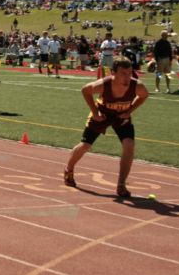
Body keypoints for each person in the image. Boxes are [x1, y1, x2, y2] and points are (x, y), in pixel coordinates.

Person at [63, 57, 149, 198]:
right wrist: (95, 112)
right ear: (113, 73)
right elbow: (85, 90)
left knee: (129, 145)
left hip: (121, 116)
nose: (127, 77)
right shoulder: (104, 84)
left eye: (129, 73)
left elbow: (144, 96)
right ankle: (69, 169)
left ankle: (121, 184)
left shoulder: (137, 86)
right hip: (102, 114)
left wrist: (129, 110)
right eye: (123, 73)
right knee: (85, 145)